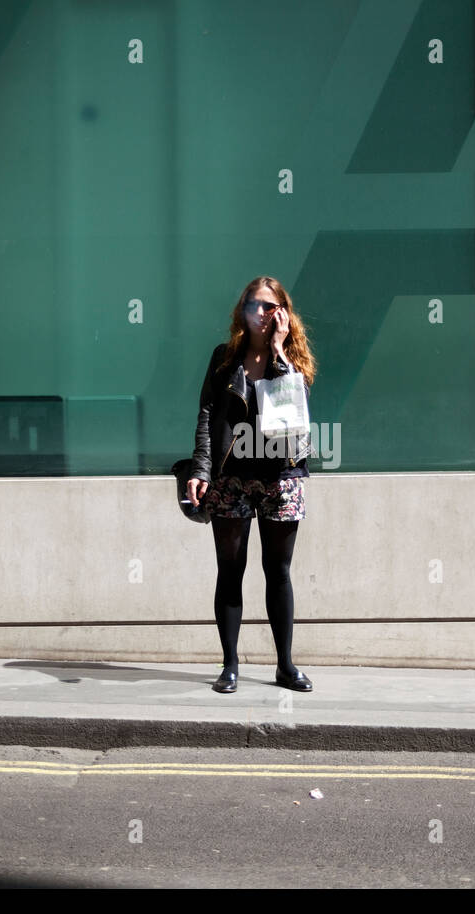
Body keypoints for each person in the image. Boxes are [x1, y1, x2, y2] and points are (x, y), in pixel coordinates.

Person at [187, 276, 317, 694]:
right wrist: (200, 471)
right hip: (232, 478)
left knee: (277, 571)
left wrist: (279, 353)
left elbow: (292, 417)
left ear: (283, 311)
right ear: (241, 311)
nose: (261, 313)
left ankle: (284, 664)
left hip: (280, 476)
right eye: (253, 305)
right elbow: (208, 415)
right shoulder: (225, 359)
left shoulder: (294, 359)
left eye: (269, 306)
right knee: (231, 571)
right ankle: (230, 665)